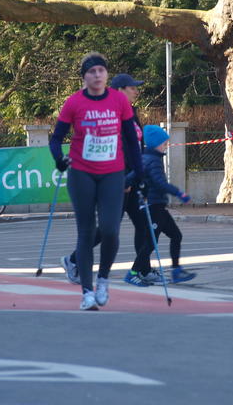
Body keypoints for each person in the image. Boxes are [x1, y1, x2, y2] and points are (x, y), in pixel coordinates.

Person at [49, 52, 143, 311]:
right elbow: (56, 139)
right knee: (87, 231)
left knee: (111, 230)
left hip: (112, 173)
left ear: (106, 74)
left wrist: (140, 172)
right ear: (84, 77)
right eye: (92, 71)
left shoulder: (118, 101)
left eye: (101, 70)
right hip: (82, 173)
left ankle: (103, 280)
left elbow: (131, 139)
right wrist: (59, 159)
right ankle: (87, 292)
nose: (97, 75)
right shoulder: (74, 103)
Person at [60, 73, 157, 286]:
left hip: (132, 179)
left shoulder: (130, 113)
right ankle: (73, 260)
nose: (136, 91)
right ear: (120, 90)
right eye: (132, 87)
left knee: (144, 225)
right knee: (107, 231)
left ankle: (142, 269)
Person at [128, 125, 196, 284]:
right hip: (153, 207)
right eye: (164, 143)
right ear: (155, 144)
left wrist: (124, 184)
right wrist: (179, 193)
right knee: (150, 243)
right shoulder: (153, 161)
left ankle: (176, 270)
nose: (166, 146)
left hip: (158, 206)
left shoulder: (146, 158)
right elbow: (160, 183)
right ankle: (132, 273)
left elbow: (131, 176)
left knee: (176, 235)